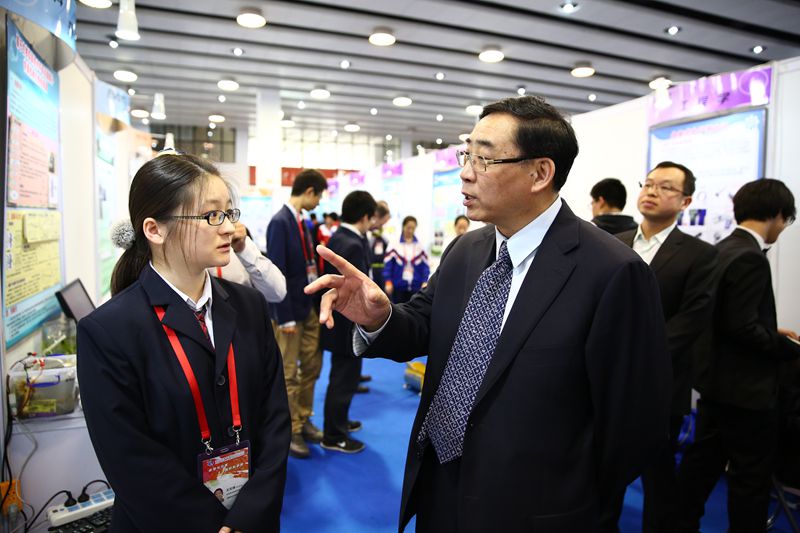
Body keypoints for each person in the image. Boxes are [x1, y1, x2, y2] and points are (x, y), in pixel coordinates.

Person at [305, 95, 671, 532]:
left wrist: (572, 501)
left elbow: (635, 423)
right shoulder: (467, 249)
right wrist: (378, 317)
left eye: (484, 159)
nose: (465, 172)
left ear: (541, 173)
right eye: (467, 155)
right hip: (439, 483)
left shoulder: (612, 272)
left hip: (535, 511)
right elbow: (423, 325)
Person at [78, 152, 290, 532]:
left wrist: (250, 514)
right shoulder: (109, 330)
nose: (229, 228)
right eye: (211, 216)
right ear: (155, 230)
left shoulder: (249, 306)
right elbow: (129, 457)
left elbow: (275, 419)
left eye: (229, 213)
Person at [676, 178, 800, 533]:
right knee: (749, 482)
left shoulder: (721, 249)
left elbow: (725, 317)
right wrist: (789, 348)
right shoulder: (750, 257)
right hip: (746, 392)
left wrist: (770, 330)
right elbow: (742, 328)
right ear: (778, 214)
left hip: (715, 384)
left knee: (700, 469)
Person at [603, 161, 718, 532]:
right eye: (649, 183)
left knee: (658, 476)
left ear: (686, 202)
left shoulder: (700, 254)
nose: (652, 191)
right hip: (604, 380)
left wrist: (635, 359)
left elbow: (691, 321)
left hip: (660, 384)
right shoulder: (611, 244)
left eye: (666, 187)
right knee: (603, 474)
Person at [266, 169, 328, 459]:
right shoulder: (279, 222)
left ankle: (304, 418)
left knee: (312, 366)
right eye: (319, 196)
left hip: (308, 306)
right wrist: (284, 316)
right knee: (289, 373)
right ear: (310, 191)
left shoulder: (303, 222)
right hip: (289, 311)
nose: (319, 202)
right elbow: (276, 272)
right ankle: (292, 430)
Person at [320, 191, 377, 454]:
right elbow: (357, 290)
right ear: (365, 216)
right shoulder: (352, 243)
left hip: (341, 322)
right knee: (344, 380)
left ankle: (339, 423)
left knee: (343, 377)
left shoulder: (339, 237)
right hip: (348, 325)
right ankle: (334, 435)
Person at [382, 215, 430, 304]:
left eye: (413, 228)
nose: (410, 230)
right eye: (408, 227)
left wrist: (425, 281)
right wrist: (388, 281)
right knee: (398, 309)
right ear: (403, 226)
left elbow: (425, 267)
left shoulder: (420, 246)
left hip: (416, 286)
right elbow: (388, 265)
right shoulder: (394, 244)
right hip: (398, 286)